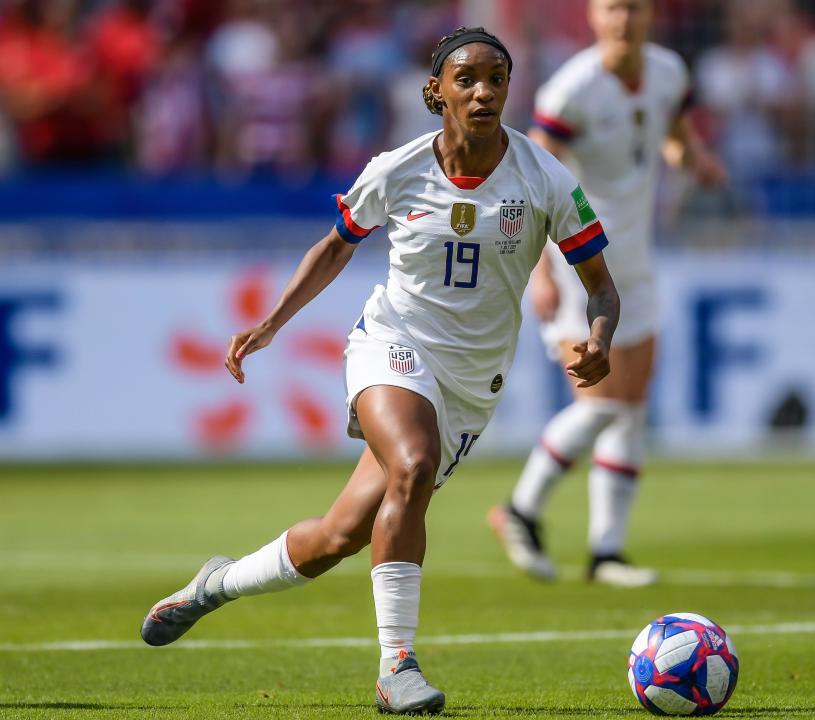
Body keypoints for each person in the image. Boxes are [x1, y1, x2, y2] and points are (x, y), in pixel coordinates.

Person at [139, 26, 619, 716]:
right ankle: (397, 666)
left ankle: (213, 586)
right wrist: (272, 323)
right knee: (413, 463)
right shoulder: (398, 168)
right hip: (392, 343)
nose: (484, 91)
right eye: (467, 79)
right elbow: (335, 249)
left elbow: (601, 284)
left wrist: (600, 334)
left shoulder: (545, 178)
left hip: (470, 383)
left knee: (337, 537)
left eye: (497, 79)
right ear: (436, 92)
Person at [489, 0, 725, 587]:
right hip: (582, 264)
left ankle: (607, 551)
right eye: (613, 8)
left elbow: (671, 136)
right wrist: (541, 270)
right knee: (603, 403)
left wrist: (693, 159)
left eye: (635, 8)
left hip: (638, 259)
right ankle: (521, 509)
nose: (624, 20)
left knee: (633, 407)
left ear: (650, 16)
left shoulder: (669, 73)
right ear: (594, 16)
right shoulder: (572, 90)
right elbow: (535, 180)